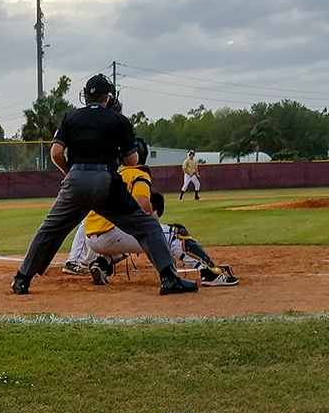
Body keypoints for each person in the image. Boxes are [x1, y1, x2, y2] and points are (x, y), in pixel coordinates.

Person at [11, 74, 195, 296]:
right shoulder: (119, 120)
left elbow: (56, 153)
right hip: (106, 181)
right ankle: (169, 278)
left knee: (50, 229)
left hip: (76, 179)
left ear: (85, 96)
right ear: (107, 98)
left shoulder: (70, 117)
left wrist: (71, 173)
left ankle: (22, 279)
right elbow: (132, 161)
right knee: (147, 226)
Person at [80, 141, 238, 287]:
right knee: (175, 234)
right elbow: (141, 204)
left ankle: (101, 264)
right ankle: (210, 273)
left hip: (92, 237)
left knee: (137, 237)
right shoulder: (137, 173)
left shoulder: (113, 172)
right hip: (111, 233)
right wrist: (151, 220)